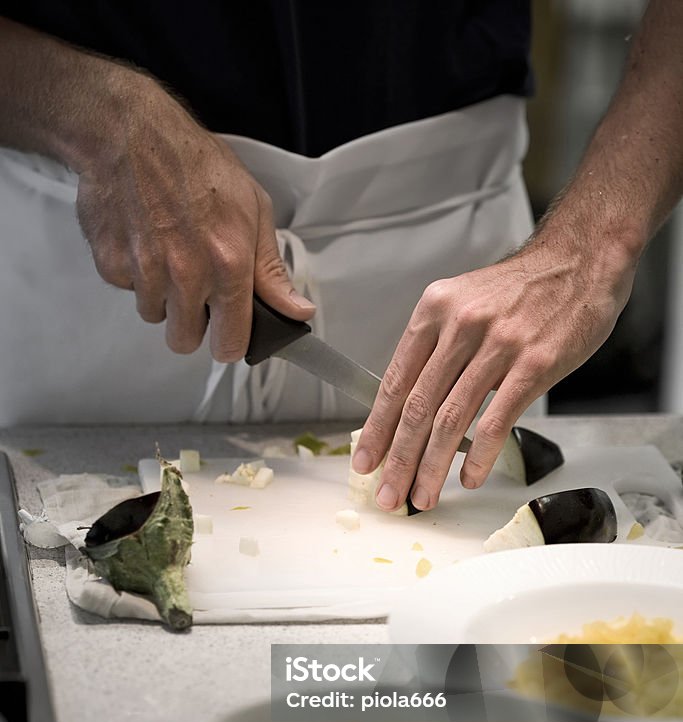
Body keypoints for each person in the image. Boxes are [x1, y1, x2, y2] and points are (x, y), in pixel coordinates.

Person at [0, 2, 680, 515]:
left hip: (459, 268)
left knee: (474, 679)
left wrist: (590, 246)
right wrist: (96, 114)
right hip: (106, 256)